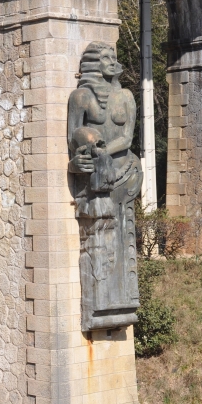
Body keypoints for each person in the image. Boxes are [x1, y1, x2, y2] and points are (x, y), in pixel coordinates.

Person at [67, 41, 142, 331]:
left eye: (114, 55)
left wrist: (102, 152)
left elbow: (127, 138)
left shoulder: (124, 96)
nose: (112, 61)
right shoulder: (80, 97)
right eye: (105, 57)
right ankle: (101, 303)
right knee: (98, 239)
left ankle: (119, 300)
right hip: (95, 178)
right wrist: (77, 164)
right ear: (93, 63)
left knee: (122, 237)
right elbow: (72, 138)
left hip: (125, 173)